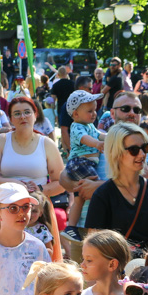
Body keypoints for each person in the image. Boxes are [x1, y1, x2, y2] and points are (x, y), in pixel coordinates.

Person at [84, 122, 148, 255]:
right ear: (116, 153)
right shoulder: (103, 195)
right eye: (134, 150)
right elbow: (94, 247)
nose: (142, 154)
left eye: (145, 147)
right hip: (120, 272)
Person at [0, 97, 65, 201]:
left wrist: (40, 189)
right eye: (17, 114)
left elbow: (61, 183)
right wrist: (14, 184)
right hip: (7, 204)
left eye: (27, 112)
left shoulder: (47, 144)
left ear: (35, 115)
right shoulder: (0, 141)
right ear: (10, 119)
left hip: (38, 205)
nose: (23, 117)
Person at [63, 90, 106, 241]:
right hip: (79, 163)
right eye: (89, 111)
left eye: (95, 110)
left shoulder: (90, 126)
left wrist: (113, 137)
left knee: (80, 197)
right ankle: (93, 226)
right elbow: (86, 139)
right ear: (75, 114)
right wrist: (98, 144)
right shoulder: (76, 126)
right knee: (98, 191)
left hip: (84, 164)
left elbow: (100, 135)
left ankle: (71, 227)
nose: (94, 114)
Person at [51, 65, 76, 151]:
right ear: (66, 73)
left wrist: (52, 110)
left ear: (58, 74)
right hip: (73, 108)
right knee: (72, 127)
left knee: (63, 129)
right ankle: (73, 145)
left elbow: (53, 100)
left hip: (61, 108)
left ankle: (65, 149)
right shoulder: (73, 84)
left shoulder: (56, 85)